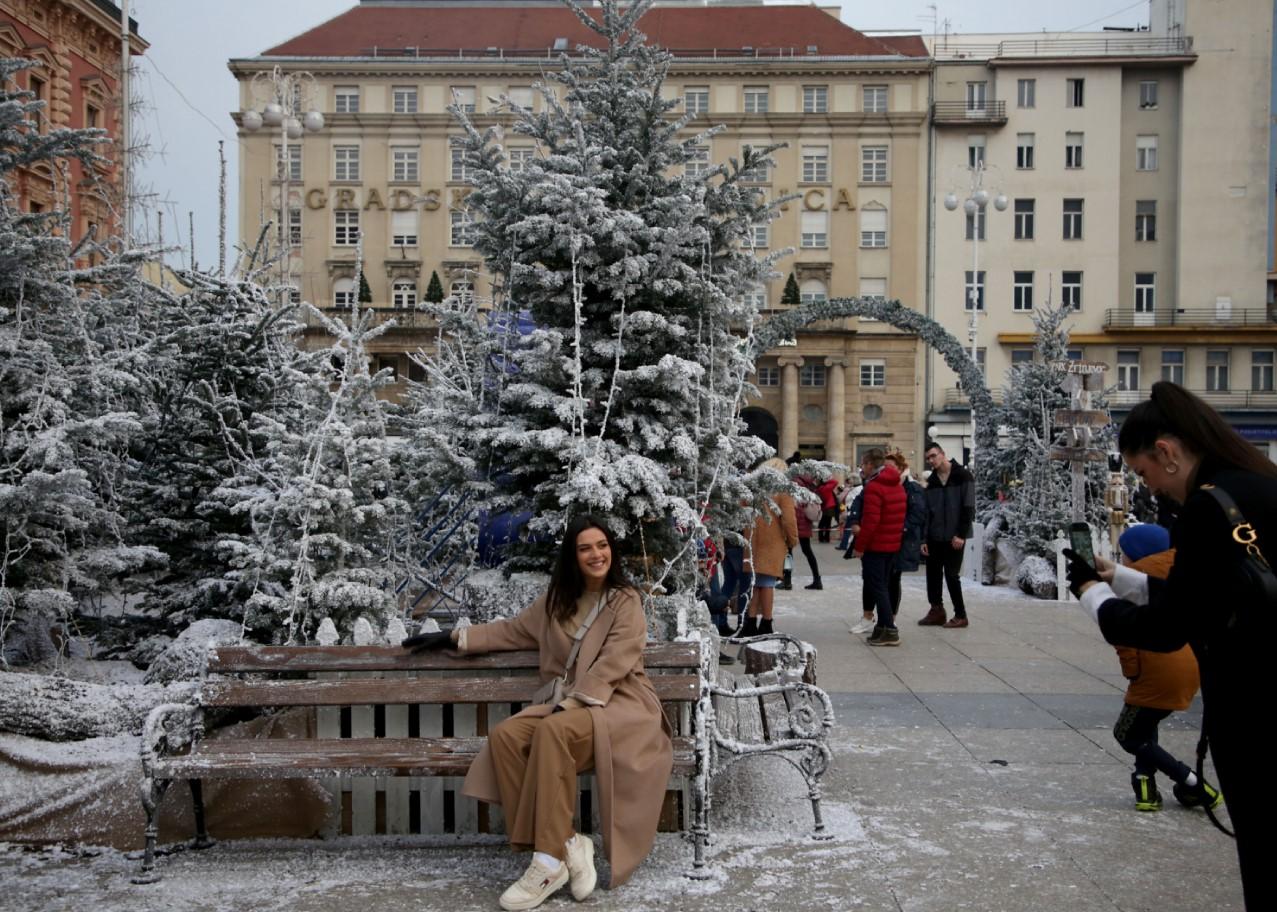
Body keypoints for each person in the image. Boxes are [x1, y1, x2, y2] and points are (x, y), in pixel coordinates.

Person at [1065, 382, 1277, 911]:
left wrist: (1091, 594)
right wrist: (1121, 578)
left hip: (1255, 712)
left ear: (1168, 452)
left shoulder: (1209, 508)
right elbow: (1205, 598)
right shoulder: (1259, 483)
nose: (1151, 488)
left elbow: (1166, 629)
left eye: (1144, 473)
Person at [404, 515, 673, 911]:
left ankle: (547, 863)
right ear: (572, 555)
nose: (596, 554)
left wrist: (570, 705)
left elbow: (615, 662)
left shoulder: (624, 599)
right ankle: (565, 841)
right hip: (570, 707)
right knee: (508, 737)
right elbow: (510, 631)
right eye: (585, 548)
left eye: (602, 545)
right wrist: (454, 637)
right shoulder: (555, 601)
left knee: (553, 732)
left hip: (620, 707)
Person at [1109, 524, 1221, 813]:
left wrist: (1132, 673)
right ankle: (1144, 787)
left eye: (1124, 555)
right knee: (1147, 726)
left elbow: (1124, 640)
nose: (1121, 560)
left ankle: (1193, 782)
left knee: (1128, 734)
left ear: (1137, 556)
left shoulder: (1132, 584)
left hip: (1156, 674)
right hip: (1190, 669)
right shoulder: (1182, 576)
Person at [918, 441, 975, 629]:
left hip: (954, 537)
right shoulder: (932, 482)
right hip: (934, 536)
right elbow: (927, 512)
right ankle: (937, 611)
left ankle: (961, 615)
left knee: (951, 575)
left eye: (933, 456)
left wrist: (961, 534)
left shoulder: (962, 476)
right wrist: (924, 539)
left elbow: (968, 507)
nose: (931, 460)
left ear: (943, 454)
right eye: (928, 458)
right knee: (932, 575)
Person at [741, 458, 799, 637]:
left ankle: (750, 622)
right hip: (772, 541)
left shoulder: (752, 487)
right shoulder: (783, 490)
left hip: (751, 540)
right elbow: (789, 519)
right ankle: (766, 622)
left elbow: (741, 509)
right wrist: (792, 540)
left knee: (756, 584)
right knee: (767, 584)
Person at [854, 448, 906, 646]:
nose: (861, 468)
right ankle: (883, 627)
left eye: (862, 464)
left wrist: (860, 546)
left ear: (869, 464)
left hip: (877, 545)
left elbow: (871, 521)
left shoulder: (874, 486)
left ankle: (890, 630)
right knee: (882, 585)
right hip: (892, 544)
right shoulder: (896, 483)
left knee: (878, 587)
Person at [885, 451, 927, 624]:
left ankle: (891, 618)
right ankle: (883, 615)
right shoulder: (885, 484)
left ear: (901, 468)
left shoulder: (913, 488)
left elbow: (917, 515)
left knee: (893, 578)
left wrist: (899, 528)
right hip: (886, 538)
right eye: (885, 467)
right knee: (883, 578)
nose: (887, 470)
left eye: (891, 467)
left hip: (902, 540)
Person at [793, 473, 823, 590]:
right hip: (805, 524)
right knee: (808, 551)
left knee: (788, 552)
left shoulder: (795, 484)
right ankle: (817, 579)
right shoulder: (809, 487)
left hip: (795, 523)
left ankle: (787, 580)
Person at [816, 475, 840, 544]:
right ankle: (826, 538)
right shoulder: (827, 488)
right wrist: (828, 479)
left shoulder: (818, 488)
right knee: (827, 524)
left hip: (822, 507)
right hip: (829, 507)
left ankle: (821, 538)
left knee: (821, 523)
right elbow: (835, 482)